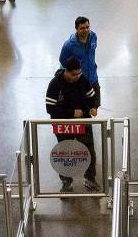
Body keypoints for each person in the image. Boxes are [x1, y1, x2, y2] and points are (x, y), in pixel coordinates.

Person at [45, 57, 101, 192]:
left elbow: (91, 96)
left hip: (82, 122)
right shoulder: (55, 84)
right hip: (63, 125)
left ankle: (90, 179)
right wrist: (71, 112)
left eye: (79, 73)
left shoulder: (82, 79)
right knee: (65, 152)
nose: (77, 77)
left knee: (89, 150)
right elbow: (50, 108)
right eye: (74, 74)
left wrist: (93, 106)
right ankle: (66, 182)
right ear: (67, 71)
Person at [60, 16, 100, 111]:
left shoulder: (93, 37)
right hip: (80, 82)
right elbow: (62, 60)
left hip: (93, 79)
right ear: (76, 29)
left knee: (94, 106)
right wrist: (74, 74)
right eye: (82, 28)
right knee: (82, 109)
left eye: (87, 27)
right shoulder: (69, 45)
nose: (85, 30)